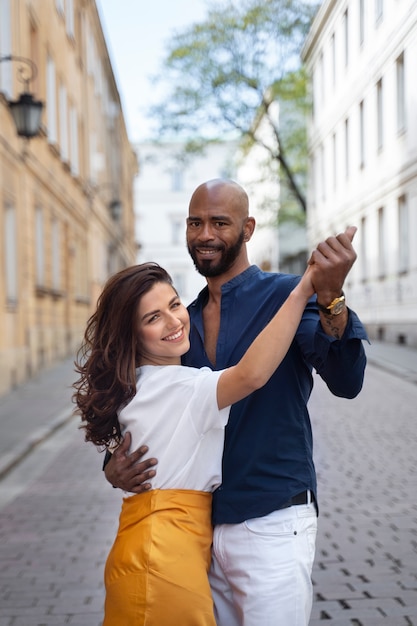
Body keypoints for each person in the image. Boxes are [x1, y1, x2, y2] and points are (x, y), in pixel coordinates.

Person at [104, 179, 368, 626]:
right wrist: (113, 463)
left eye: (219, 222)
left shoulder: (288, 296)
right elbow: (150, 411)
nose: (205, 234)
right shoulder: (177, 324)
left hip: (272, 519)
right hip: (198, 536)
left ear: (247, 228)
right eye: (195, 222)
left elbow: (347, 380)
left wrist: (331, 299)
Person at [74, 253, 327, 625]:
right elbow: (251, 375)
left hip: (150, 546)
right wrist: (303, 288)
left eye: (174, 304)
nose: (174, 321)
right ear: (133, 334)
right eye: (152, 317)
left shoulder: (137, 387)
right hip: (164, 556)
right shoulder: (178, 387)